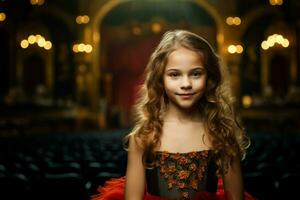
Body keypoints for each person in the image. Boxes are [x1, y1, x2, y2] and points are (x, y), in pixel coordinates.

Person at [91, 30, 256, 200]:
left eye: (196, 73)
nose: (186, 84)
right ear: (160, 79)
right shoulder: (143, 137)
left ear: (210, 78)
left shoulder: (222, 133)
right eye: (174, 75)